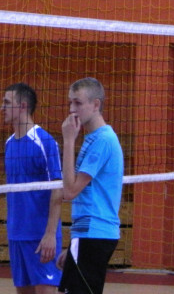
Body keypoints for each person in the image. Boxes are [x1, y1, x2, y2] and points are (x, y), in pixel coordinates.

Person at [57, 77, 123, 294]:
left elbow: (70, 191)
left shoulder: (102, 140)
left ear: (95, 104)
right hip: (87, 234)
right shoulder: (93, 138)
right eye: (70, 102)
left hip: (95, 233)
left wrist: (68, 141)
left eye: (78, 103)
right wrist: (73, 246)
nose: (72, 109)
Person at [2, 83, 64, 294]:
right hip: (16, 235)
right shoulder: (9, 143)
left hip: (40, 236)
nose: (2, 108)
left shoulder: (44, 141)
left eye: (7, 103)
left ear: (23, 106)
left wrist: (50, 235)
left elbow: (57, 189)